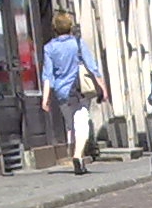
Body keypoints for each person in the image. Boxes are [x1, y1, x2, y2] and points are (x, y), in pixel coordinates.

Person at [39, 11, 107, 174]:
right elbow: (92, 66)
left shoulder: (49, 48)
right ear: (70, 27)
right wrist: (103, 88)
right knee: (82, 122)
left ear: (54, 28)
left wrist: (45, 98)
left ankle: (76, 155)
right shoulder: (77, 43)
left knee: (71, 125)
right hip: (79, 90)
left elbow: (48, 75)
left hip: (62, 93)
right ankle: (77, 156)